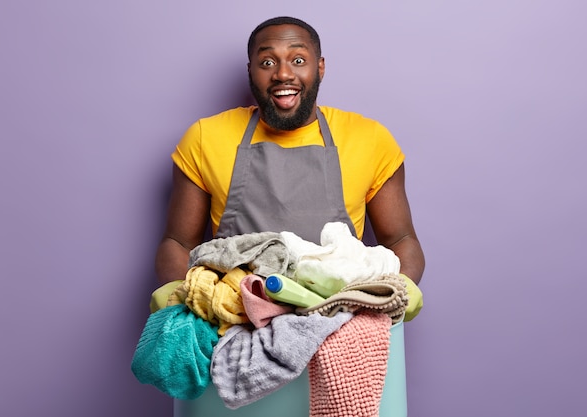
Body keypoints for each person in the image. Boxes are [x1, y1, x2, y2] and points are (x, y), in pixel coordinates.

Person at [155, 16, 425, 290]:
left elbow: (400, 240)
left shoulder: (370, 139)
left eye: (298, 60)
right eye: (267, 63)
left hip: (340, 310)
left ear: (320, 68)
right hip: (234, 312)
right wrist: (192, 300)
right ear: (251, 72)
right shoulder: (205, 138)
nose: (282, 74)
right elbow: (178, 243)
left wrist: (394, 295)